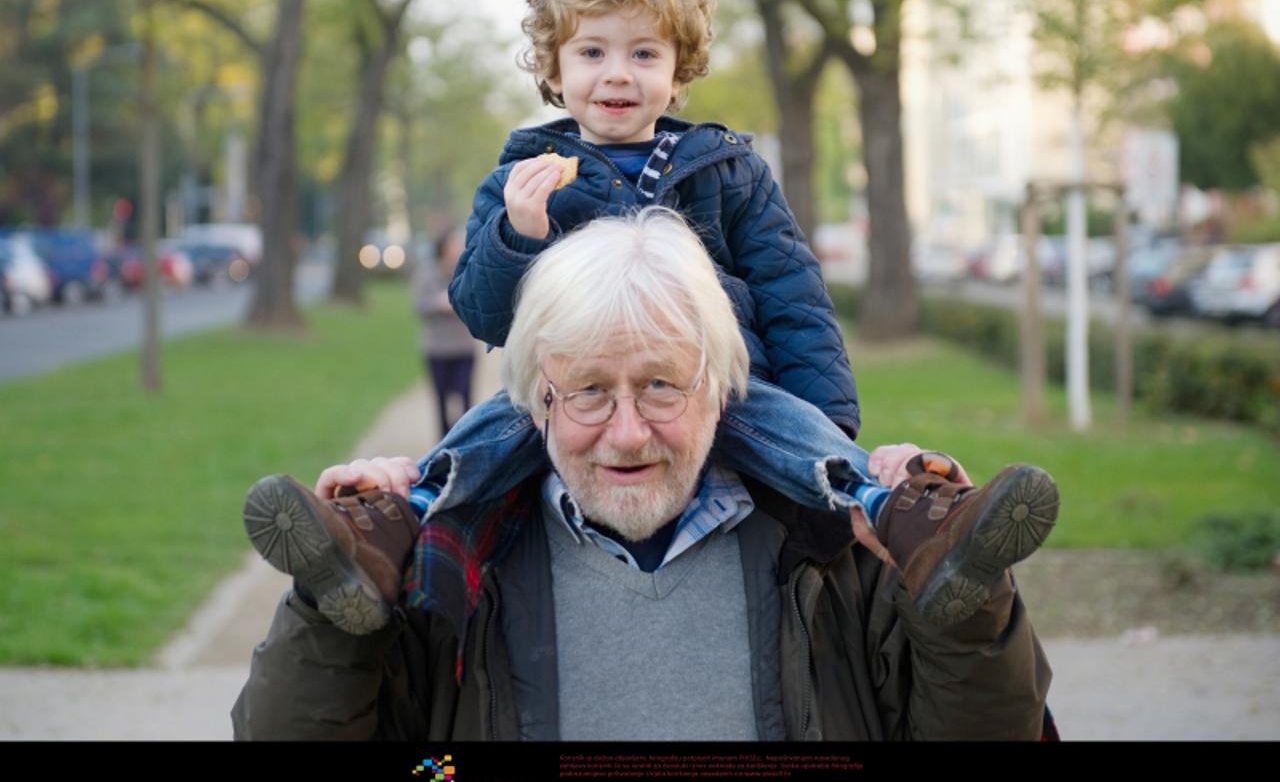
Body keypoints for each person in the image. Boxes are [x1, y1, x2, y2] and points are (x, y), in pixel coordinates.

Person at [234, 210, 1056, 741]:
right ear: (536, 399)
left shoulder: (843, 550)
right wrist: (335, 607)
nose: (627, 434)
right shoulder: (448, 561)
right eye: (589, 391)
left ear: (723, 385)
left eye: (662, 384)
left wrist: (964, 608)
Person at [406, 0, 895, 538]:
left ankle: (887, 510)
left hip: (714, 390)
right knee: (496, 426)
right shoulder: (521, 184)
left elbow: (793, 297)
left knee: (779, 424)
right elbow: (482, 315)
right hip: (574, 396)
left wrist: (822, 423)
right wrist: (521, 235)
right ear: (554, 70)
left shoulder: (728, 172)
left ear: (677, 69)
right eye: (592, 53)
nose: (617, 75)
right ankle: (404, 516)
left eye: (643, 54)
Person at [413, 228, 476, 435]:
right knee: (441, 399)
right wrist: (439, 304)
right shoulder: (426, 273)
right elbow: (418, 305)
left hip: (463, 347)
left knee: (465, 396)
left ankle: (466, 438)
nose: (457, 248)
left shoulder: (466, 271)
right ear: (443, 248)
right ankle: (443, 443)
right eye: (453, 244)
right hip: (437, 348)